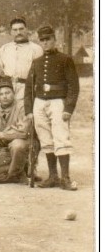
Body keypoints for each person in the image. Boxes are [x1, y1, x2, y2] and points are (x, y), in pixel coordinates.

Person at [24, 26, 81, 190]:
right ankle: (53, 176)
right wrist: (29, 110)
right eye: (42, 40)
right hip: (39, 103)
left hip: (58, 103)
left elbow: (73, 86)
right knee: (45, 139)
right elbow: (29, 88)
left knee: (61, 137)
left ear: (54, 39)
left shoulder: (65, 59)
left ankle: (65, 178)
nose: (45, 42)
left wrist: (68, 108)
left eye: (48, 39)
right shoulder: (37, 62)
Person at [0, 78, 31, 184]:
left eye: (7, 93)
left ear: (14, 93)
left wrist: (0, 135)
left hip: (21, 143)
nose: (4, 96)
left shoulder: (22, 108)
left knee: (17, 145)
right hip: (2, 146)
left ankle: (18, 173)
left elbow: (23, 132)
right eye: (1, 94)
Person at [0, 17, 43, 102]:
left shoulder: (36, 49)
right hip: (7, 90)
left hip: (26, 90)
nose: (18, 32)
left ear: (26, 30)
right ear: (11, 32)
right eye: (15, 30)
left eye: (21, 29)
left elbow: (40, 75)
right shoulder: (5, 48)